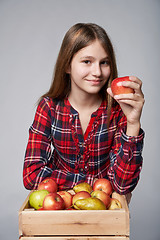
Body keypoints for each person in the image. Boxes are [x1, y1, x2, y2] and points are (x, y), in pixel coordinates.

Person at [23, 23, 145, 195]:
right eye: (87, 61)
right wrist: (91, 183)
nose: (97, 72)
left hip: (104, 209)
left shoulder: (118, 110)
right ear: (67, 65)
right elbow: (32, 175)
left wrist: (133, 123)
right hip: (59, 208)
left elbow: (122, 185)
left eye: (104, 63)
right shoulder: (49, 108)